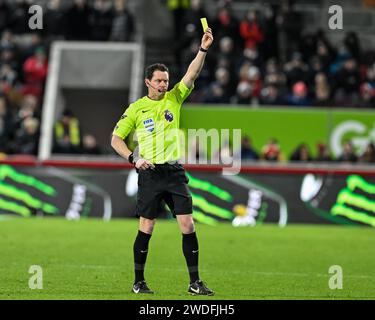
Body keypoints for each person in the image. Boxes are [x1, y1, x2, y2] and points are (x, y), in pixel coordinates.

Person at [111, 28, 214, 296]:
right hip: (150, 173)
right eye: (159, 81)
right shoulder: (136, 109)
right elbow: (116, 140)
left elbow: (192, 73)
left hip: (174, 171)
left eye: (166, 80)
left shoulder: (175, 98)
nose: (163, 84)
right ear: (147, 82)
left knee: (188, 225)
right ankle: (139, 282)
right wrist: (133, 157)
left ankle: (194, 283)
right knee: (147, 227)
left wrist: (202, 49)